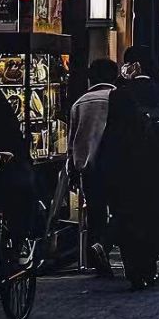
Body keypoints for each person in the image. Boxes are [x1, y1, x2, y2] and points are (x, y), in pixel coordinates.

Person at [97, 47, 159, 290]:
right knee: (151, 216)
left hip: (125, 165)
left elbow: (111, 133)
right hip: (157, 165)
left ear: (134, 66)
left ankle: (133, 268)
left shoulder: (119, 95)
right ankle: (147, 268)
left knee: (128, 214)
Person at [67, 57, 118, 274]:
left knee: (95, 212)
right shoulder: (119, 98)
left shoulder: (80, 103)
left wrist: (73, 166)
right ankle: (104, 245)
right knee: (121, 210)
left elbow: (72, 140)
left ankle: (96, 256)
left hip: (88, 167)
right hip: (117, 164)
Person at [0, 76, 36, 260]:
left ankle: (18, 241)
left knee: (19, 189)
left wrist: (6, 153)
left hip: (3, 160)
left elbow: (8, 130)